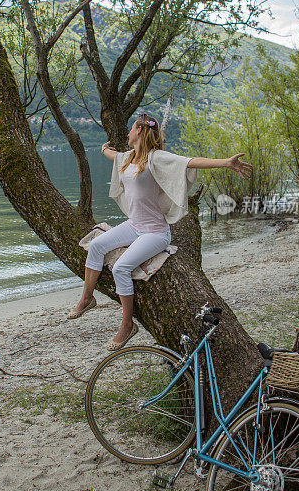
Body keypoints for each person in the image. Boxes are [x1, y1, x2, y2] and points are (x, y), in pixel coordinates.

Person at [67, 112, 253, 350]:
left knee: (121, 267)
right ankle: (87, 298)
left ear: (140, 131)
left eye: (131, 128)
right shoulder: (127, 157)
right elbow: (113, 156)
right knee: (96, 246)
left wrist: (226, 163)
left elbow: (189, 162)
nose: (128, 132)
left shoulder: (156, 158)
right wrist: (103, 150)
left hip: (155, 233)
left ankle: (127, 326)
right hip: (134, 226)